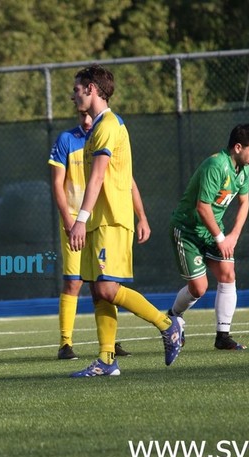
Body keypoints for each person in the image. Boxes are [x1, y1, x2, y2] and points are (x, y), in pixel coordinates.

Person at [67, 65, 183, 377]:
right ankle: (106, 360)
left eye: (77, 89)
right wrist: (141, 215)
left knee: (107, 289)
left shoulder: (108, 125)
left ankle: (166, 324)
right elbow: (126, 176)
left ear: (91, 88)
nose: (73, 94)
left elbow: (99, 177)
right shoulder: (97, 129)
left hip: (111, 221)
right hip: (99, 221)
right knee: (97, 290)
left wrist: (81, 219)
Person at [49, 111, 151, 360]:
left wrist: (142, 216)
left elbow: (127, 180)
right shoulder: (66, 140)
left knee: (106, 284)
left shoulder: (105, 133)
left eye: (88, 115)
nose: (86, 119)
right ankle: (65, 343)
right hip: (76, 222)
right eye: (81, 115)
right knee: (74, 281)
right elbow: (57, 184)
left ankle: (110, 344)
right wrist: (69, 220)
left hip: (102, 221)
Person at [167, 123, 249, 350]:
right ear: (238, 147)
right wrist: (221, 238)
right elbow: (202, 207)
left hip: (212, 229)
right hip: (188, 230)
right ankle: (172, 317)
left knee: (228, 273)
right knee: (199, 288)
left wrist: (234, 236)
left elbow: (244, 202)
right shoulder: (216, 165)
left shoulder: (243, 168)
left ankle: (223, 336)